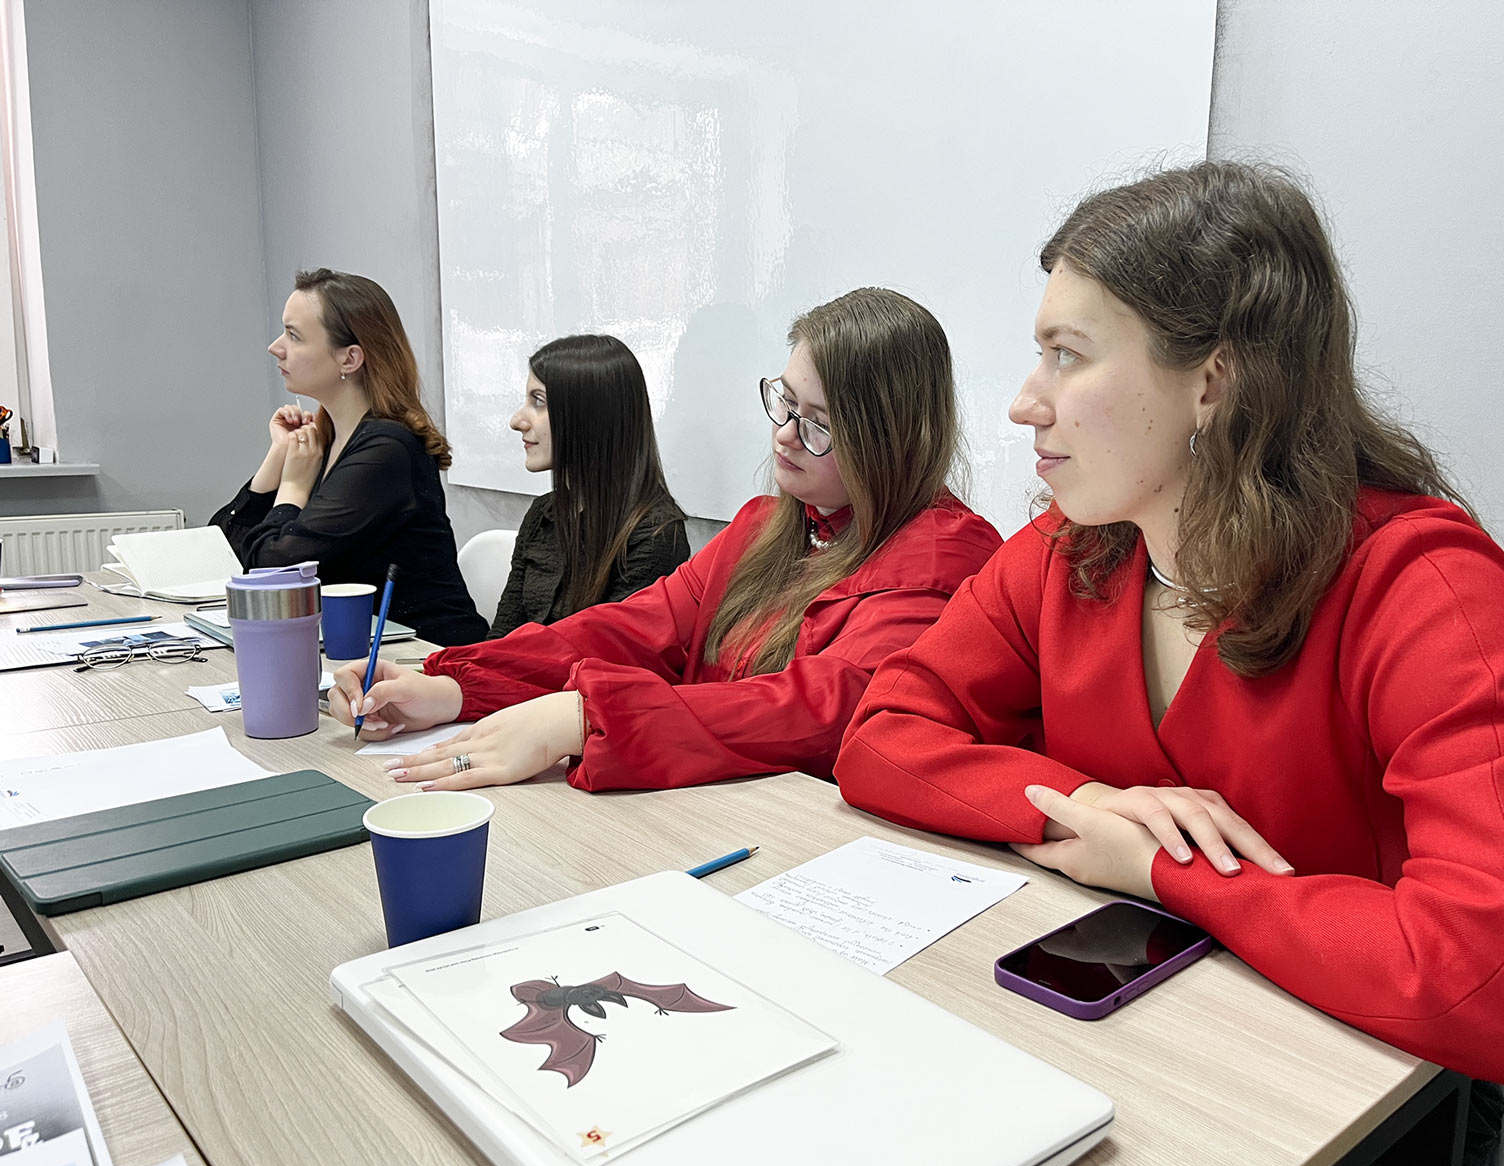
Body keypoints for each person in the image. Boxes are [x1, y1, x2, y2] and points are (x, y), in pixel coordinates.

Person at [834, 163, 1504, 1098]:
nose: (1026, 402)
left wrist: (1165, 870)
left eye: (1067, 354)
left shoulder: (1419, 583)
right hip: (1127, 1055)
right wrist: (1084, 804)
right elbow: (881, 738)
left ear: (1214, 382)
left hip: (1343, 1105)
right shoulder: (1067, 550)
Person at [329, 287, 1002, 792]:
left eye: (818, 423)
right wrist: (453, 684)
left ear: (890, 440)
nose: (784, 435)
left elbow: (822, 710)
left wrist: (587, 717)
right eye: (785, 403)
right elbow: (631, 629)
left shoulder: (944, 557)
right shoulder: (766, 524)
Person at [211, 269, 487, 647]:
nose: (276, 347)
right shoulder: (326, 442)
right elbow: (224, 550)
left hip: (426, 655)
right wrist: (278, 458)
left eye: (294, 335)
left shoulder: (385, 451)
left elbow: (273, 574)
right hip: (361, 649)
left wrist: (292, 486)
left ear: (350, 358)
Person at [491, 334, 688, 636]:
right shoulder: (543, 513)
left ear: (588, 416)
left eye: (538, 401)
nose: (517, 421)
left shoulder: (654, 536)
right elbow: (501, 637)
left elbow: (606, 655)